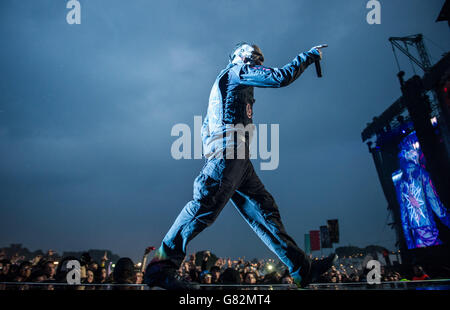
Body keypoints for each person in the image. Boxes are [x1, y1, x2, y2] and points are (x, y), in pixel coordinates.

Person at [144, 42, 336, 290]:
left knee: (265, 212)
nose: (257, 61)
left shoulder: (229, 83)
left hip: (238, 159)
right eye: (254, 56)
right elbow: (280, 77)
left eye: (259, 58)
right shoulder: (237, 71)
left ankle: (302, 269)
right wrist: (308, 56)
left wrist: (216, 149)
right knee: (205, 206)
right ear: (240, 56)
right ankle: (160, 269)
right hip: (230, 154)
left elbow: (205, 128)